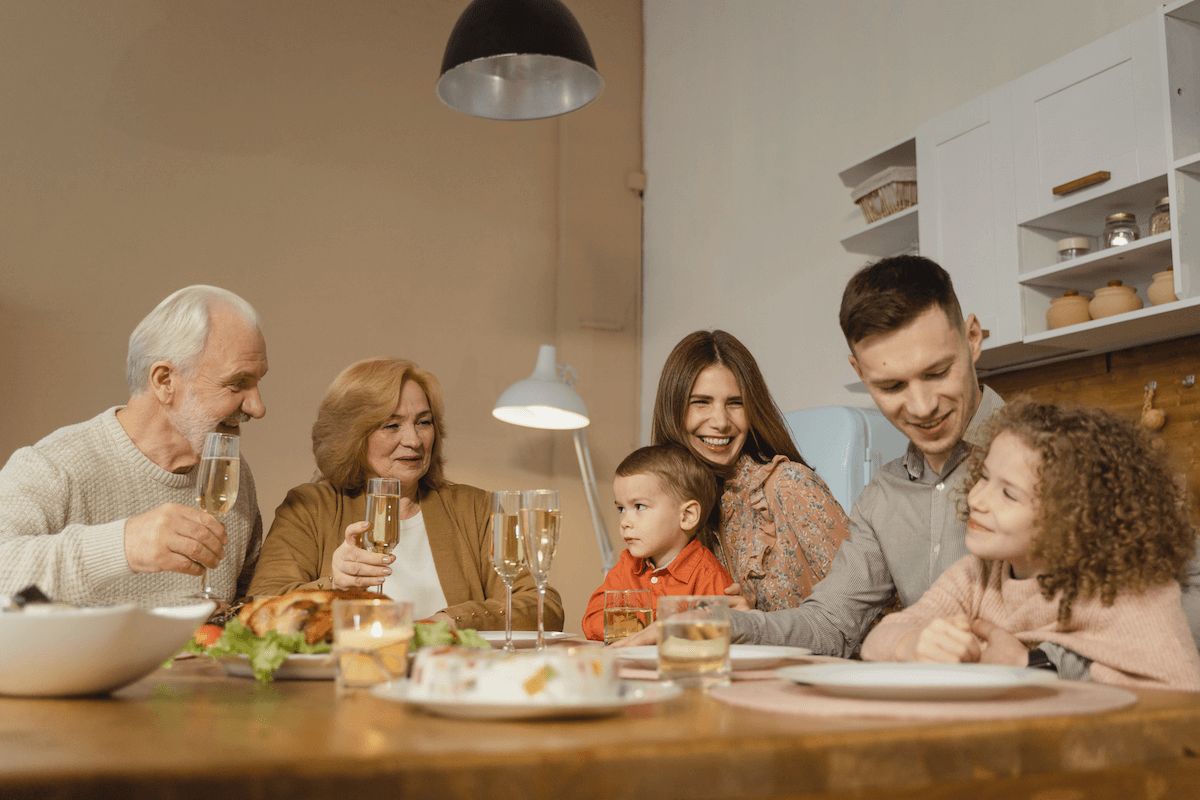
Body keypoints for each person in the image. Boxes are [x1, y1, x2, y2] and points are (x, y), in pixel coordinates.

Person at [728, 255, 1200, 657]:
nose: (921, 406)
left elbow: (1188, 583)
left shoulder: (1057, 456)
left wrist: (1053, 662)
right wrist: (726, 627)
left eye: (937, 371)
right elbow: (832, 623)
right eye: (891, 386)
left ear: (972, 338)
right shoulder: (883, 498)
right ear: (859, 372)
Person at [861, 401, 1200, 692]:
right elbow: (878, 642)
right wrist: (914, 645)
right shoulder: (975, 576)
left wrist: (1031, 665)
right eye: (983, 477)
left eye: (1009, 494)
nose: (976, 499)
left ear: (1072, 519)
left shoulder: (1125, 588)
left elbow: (1178, 695)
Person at [248, 357, 564, 632]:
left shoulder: (477, 507)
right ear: (354, 435)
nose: (413, 440)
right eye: (392, 425)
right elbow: (260, 611)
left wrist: (449, 623)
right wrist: (334, 584)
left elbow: (543, 606)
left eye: (423, 422)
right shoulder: (308, 508)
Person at [0, 286, 267, 607]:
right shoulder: (52, 465)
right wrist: (123, 545)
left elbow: (248, 605)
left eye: (257, 382)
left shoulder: (232, 476)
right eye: (238, 383)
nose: (257, 407)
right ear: (165, 380)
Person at [648, 330, 852, 613]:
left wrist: (755, 623)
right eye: (701, 402)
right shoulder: (681, 508)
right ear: (673, 410)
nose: (721, 422)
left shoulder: (790, 485)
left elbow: (872, 610)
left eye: (736, 403)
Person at [581, 444, 736, 641]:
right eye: (621, 509)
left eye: (639, 506)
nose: (625, 522)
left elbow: (720, 635)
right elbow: (592, 620)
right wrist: (648, 627)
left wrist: (639, 626)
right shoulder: (627, 566)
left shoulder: (708, 576)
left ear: (687, 516)